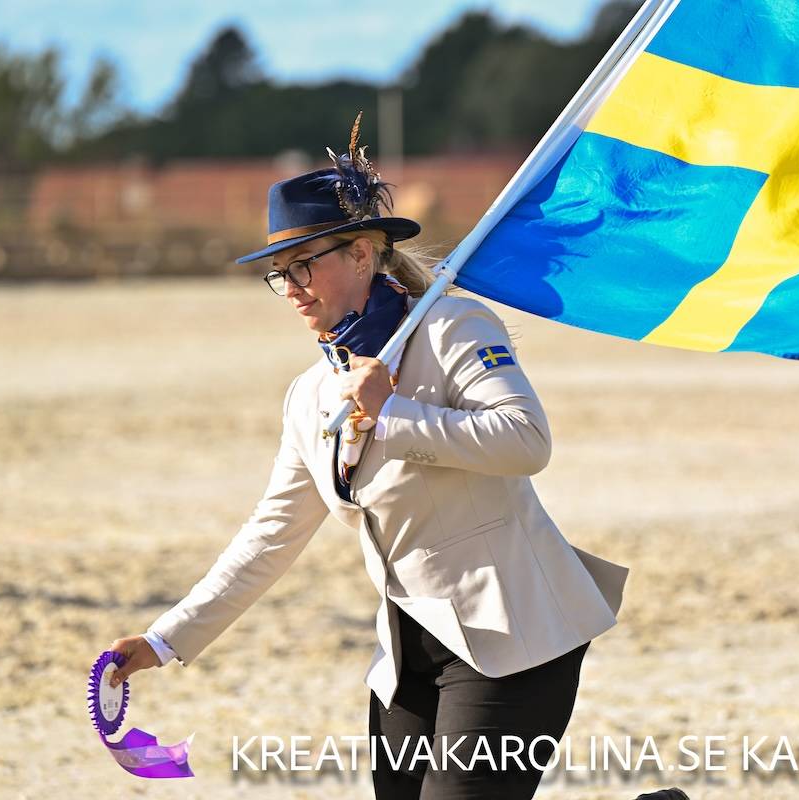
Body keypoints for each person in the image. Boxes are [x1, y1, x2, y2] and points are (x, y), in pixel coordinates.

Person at [105, 118, 628, 800]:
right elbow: (270, 535)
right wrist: (163, 640)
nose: (292, 285)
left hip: (516, 638)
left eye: (304, 263)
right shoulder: (310, 395)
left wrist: (393, 412)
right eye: (279, 273)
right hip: (408, 654)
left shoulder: (451, 328)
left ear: (361, 253)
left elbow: (526, 440)